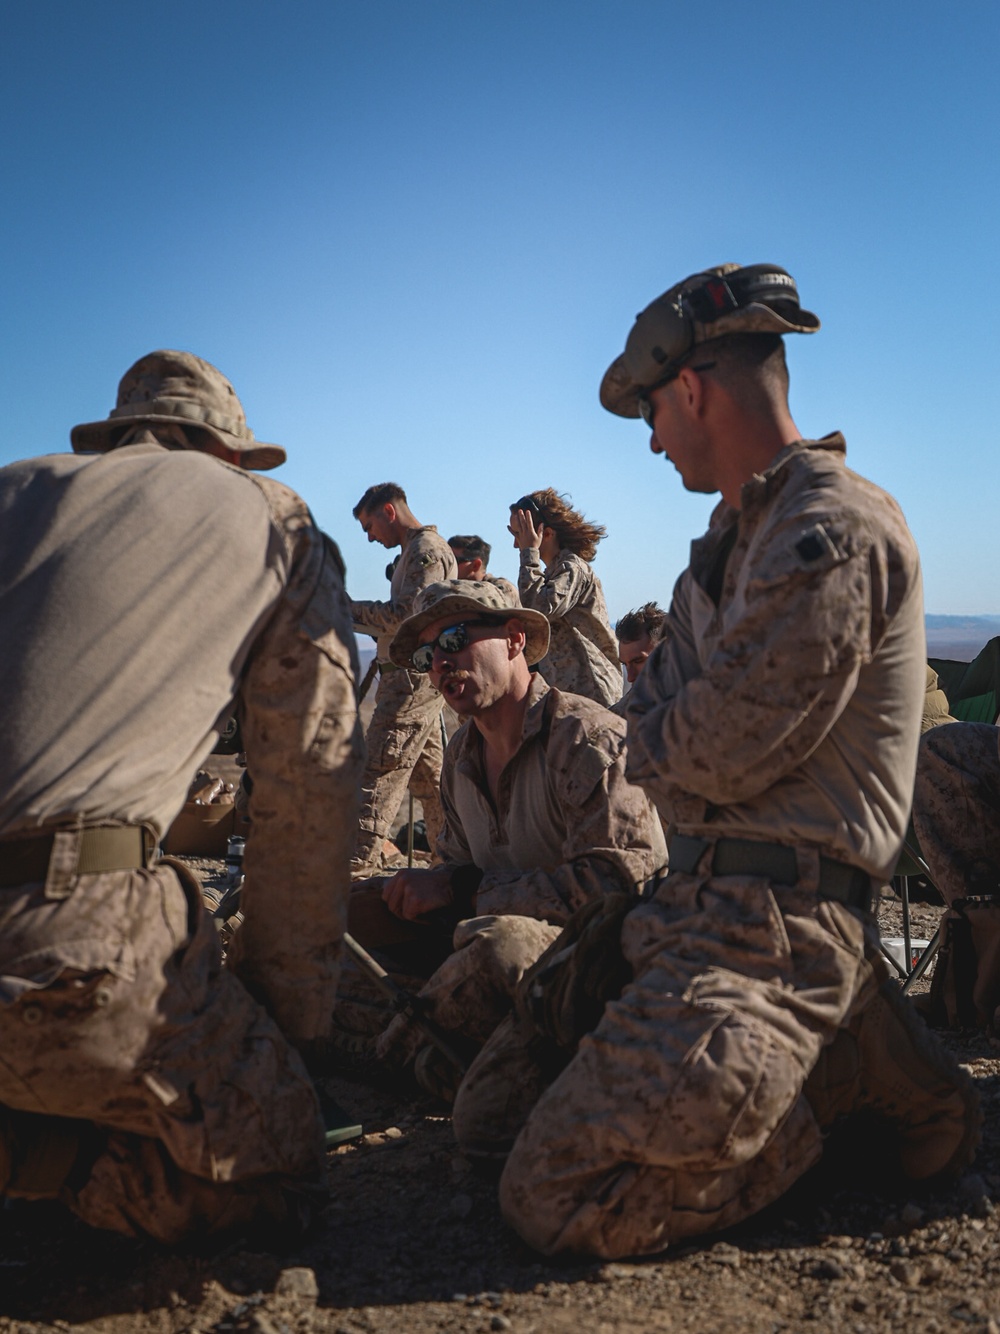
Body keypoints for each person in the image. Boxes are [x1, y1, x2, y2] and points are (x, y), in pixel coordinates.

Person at [453, 263, 980, 1259]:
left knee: (556, 1198)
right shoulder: (729, 545)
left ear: (689, 388)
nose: (651, 436)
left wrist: (656, 735)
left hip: (778, 928)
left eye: (651, 409)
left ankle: (841, 1077)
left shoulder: (829, 527)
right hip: (686, 906)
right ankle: (845, 1047)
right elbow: (666, 717)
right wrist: (667, 729)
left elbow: (721, 741)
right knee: (481, 1139)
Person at [0, 351, 363, 1243]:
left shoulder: (13, 491)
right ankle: (40, 1162)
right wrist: (283, 1030)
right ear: (230, 454)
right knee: (280, 1163)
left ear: (117, 437)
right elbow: (308, 789)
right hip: (60, 954)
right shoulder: (272, 520)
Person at [343, 579, 665, 1088]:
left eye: (454, 641)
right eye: (427, 654)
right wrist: (413, 894)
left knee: (499, 949)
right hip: (480, 943)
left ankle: (394, 1054)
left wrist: (462, 890)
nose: (439, 664)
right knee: (342, 915)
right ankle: (428, 1047)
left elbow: (620, 890)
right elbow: (453, 868)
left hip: (588, 968)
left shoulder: (588, 741)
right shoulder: (461, 758)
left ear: (515, 638)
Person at [350, 483, 457, 871]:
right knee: (433, 785)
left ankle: (354, 865)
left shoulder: (426, 553)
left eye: (369, 526)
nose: (369, 537)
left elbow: (406, 616)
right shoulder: (413, 553)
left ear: (389, 512)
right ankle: (453, 864)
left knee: (377, 771)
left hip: (411, 683)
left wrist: (348, 610)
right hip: (410, 679)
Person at [508, 489, 622, 707]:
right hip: (569, 694)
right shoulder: (554, 572)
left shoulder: (572, 568)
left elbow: (539, 609)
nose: (516, 545)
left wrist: (529, 553)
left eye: (518, 534)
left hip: (591, 691)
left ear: (547, 533)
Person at [447, 533, 518, 600]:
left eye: (455, 561)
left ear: (475, 565)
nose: (448, 565)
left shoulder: (501, 591)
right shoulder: (446, 587)